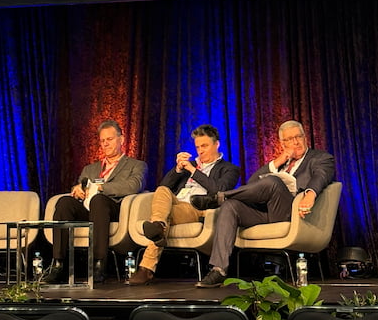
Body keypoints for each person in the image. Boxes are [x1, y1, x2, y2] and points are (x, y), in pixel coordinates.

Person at [190, 120, 336, 288]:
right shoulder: (282, 163)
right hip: (266, 212)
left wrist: (310, 194)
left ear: (305, 137)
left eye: (298, 137)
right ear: (282, 143)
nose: (295, 142)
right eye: (289, 139)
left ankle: (219, 197)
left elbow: (321, 176)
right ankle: (218, 270)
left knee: (273, 182)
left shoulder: (320, 158)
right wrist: (278, 162)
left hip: (293, 213)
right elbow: (252, 183)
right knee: (231, 206)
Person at [128, 124, 240, 285]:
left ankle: (146, 268)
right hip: (176, 203)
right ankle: (158, 225)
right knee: (162, 191)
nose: (200, 151)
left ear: (217, 144)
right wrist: (178, 169)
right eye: (198, 147)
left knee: (163, 216)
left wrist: (194, 171)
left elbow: (219, 190)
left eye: (205, 146)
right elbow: (164, 187)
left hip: (198, 207)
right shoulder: (189, 165)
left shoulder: (229, 169)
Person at [43, 119, 147, 284]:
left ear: (121, 139)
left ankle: (99, 263)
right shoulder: (90, 169)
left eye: (110, 139)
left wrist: (101, 187)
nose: (105, 144)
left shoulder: (136, 165)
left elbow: (133, 186)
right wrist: (77, 189)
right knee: (64, 202)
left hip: (114, 208)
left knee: (99, 200)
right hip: (88, 207)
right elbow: (81, 186)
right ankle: (58, 264)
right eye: (102, 141)